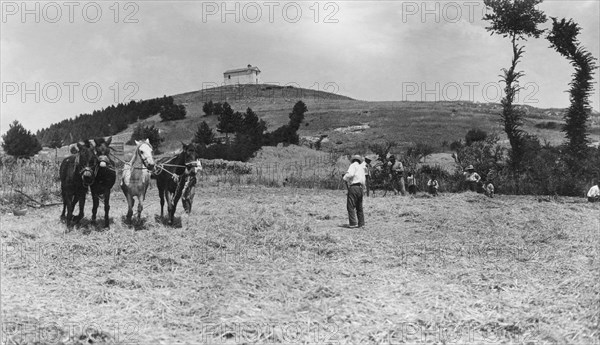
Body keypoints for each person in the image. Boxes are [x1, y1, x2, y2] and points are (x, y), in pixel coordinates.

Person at [343, 155, 366, 228]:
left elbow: (350, 174)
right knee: (359, 207)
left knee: (350, 206)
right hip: (360, 188)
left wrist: (345, 178)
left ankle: (353, 223)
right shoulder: (361, 168)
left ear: (353, 160)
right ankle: (361, 223)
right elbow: (363, 180)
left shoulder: (353, 165)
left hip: (354, 187)